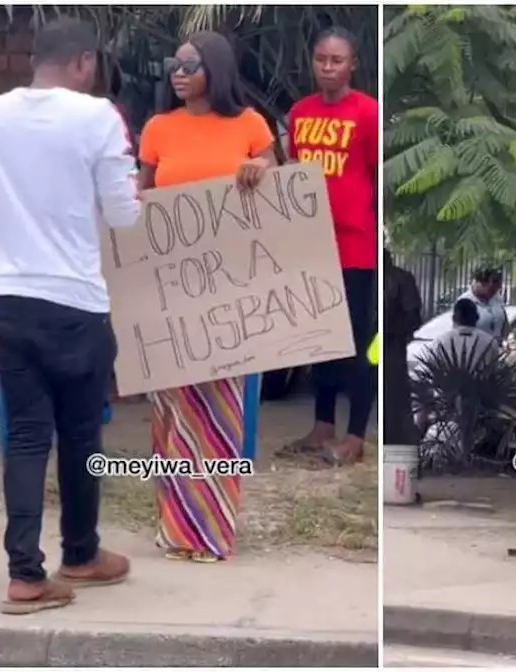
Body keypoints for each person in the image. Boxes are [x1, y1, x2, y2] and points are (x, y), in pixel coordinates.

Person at [0, 17, 140, 614]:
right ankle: (82, 553)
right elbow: (124, 215)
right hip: (75, 302)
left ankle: (24, 574)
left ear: (35, 58)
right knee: (82, 433)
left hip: (7, 299)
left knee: (27, 437)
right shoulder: (98, 119)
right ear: (84, 63)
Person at [137, 31, 278, 563]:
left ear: (214, 70)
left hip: (228, 288)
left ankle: (212, 528)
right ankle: (176, 527)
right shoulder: (158, 128)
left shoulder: (248, 124)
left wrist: (259, 170)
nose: (178, 72)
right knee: (170, 407)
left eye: (190, 65)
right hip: (168, 288)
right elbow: (144, 196)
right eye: (173, 63)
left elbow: (280, 183)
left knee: (218, 408)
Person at [284, 27, 380, 466]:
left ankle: (356, 436)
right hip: (312, 246)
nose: (327, 67)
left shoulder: (369, 113)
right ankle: (322, 426)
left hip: (356, 248)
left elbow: (381, 180)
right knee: (318, 341)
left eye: (336, 60)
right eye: (321, 59)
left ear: (352, 64)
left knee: (360, 344)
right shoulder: (300, 113)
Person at [383, 249, 422, 445]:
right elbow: (413, 318)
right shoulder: (402, 278)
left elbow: (413, 318)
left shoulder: (400, 279)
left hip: (389, 344)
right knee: (392, 393)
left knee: (392, 392)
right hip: (389, 344)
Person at [431, 298, 499, 368]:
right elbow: (494, 370)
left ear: (453, 318)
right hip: (479, 379)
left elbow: (433, 368)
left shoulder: (440, 342)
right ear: (477, 317)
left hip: (446, 379)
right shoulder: (490, 343)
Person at [460, 267, 508, 341]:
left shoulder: (496, 299)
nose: (494, 291)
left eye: (497, 288)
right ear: (479, 283)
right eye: (491, 288)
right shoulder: (465, 302)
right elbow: (459, 334)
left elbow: (504, 325)